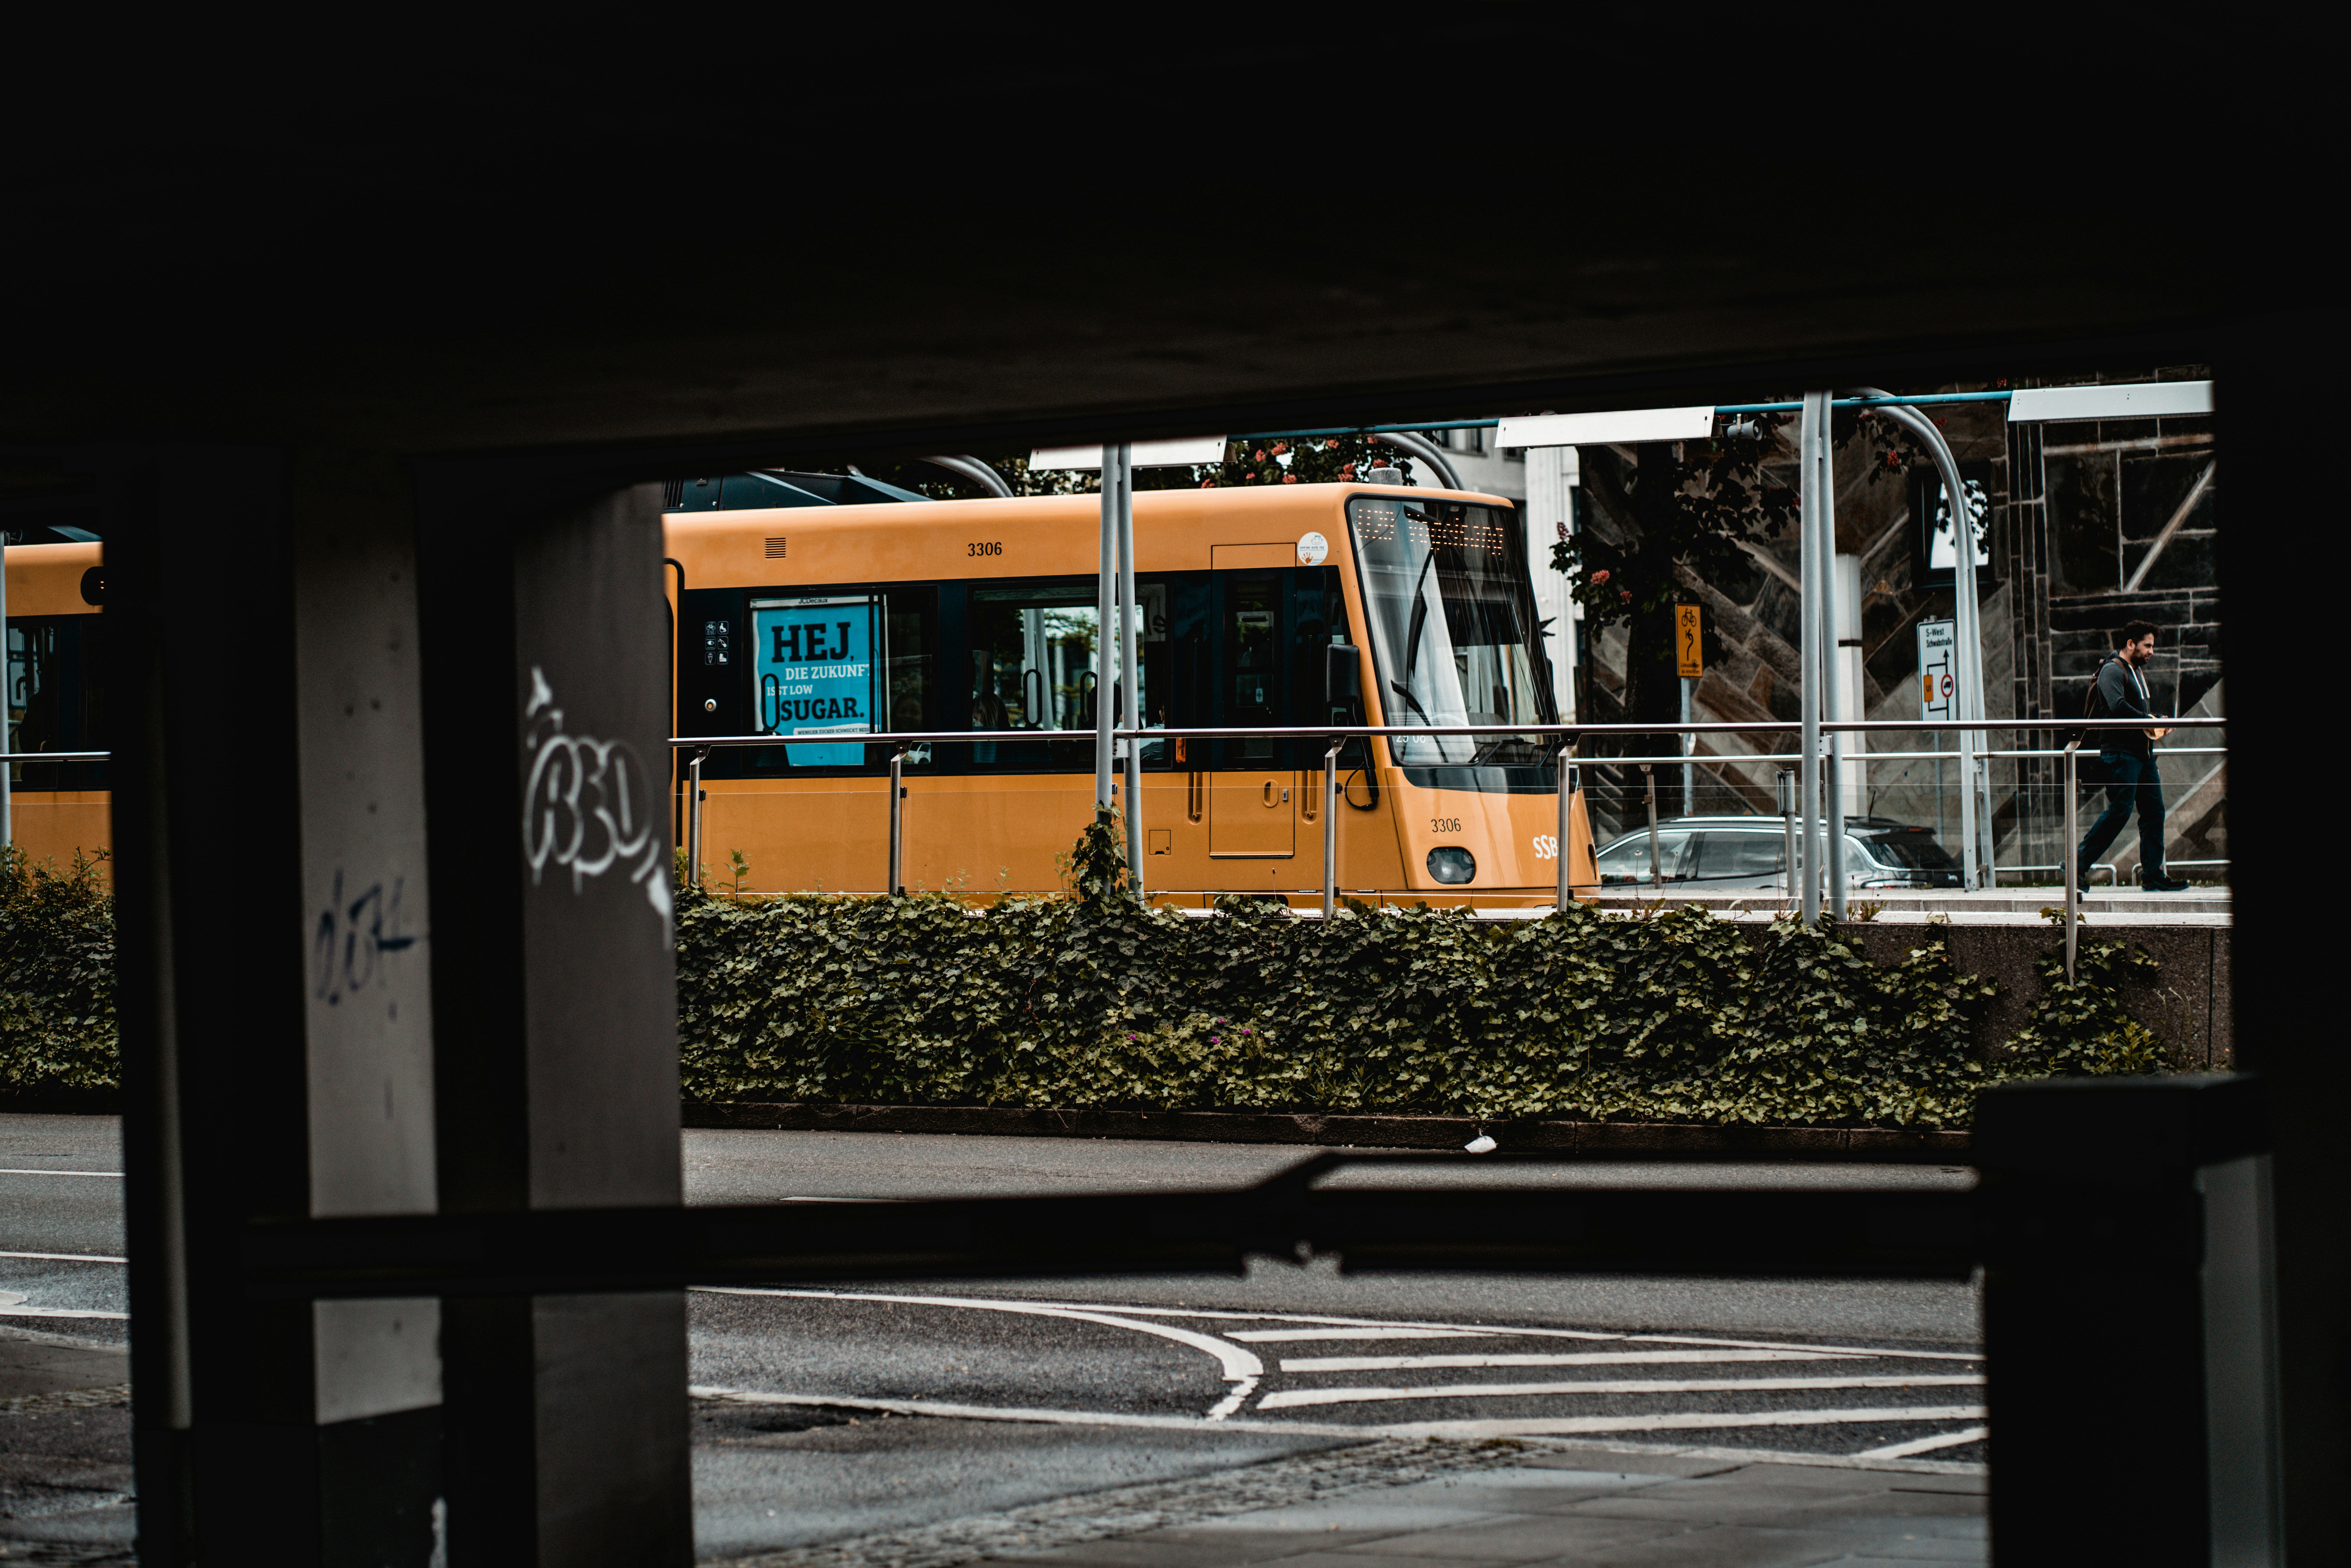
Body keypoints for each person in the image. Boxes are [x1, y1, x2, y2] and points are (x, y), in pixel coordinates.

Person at [2074, 620, 2190, 891]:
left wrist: (2157, 720)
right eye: (2147, 646)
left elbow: (2137, 710)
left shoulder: (2135, 671)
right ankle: (2077, 863)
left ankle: (2153, 876)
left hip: (2143, 755)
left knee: (2154, 812)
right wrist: (2150, 721)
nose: (2152, 651)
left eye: (2153, 646)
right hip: (2121, 754)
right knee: (2120, 810)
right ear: (2131, 645)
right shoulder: (2112, 671)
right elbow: (2117, 708)